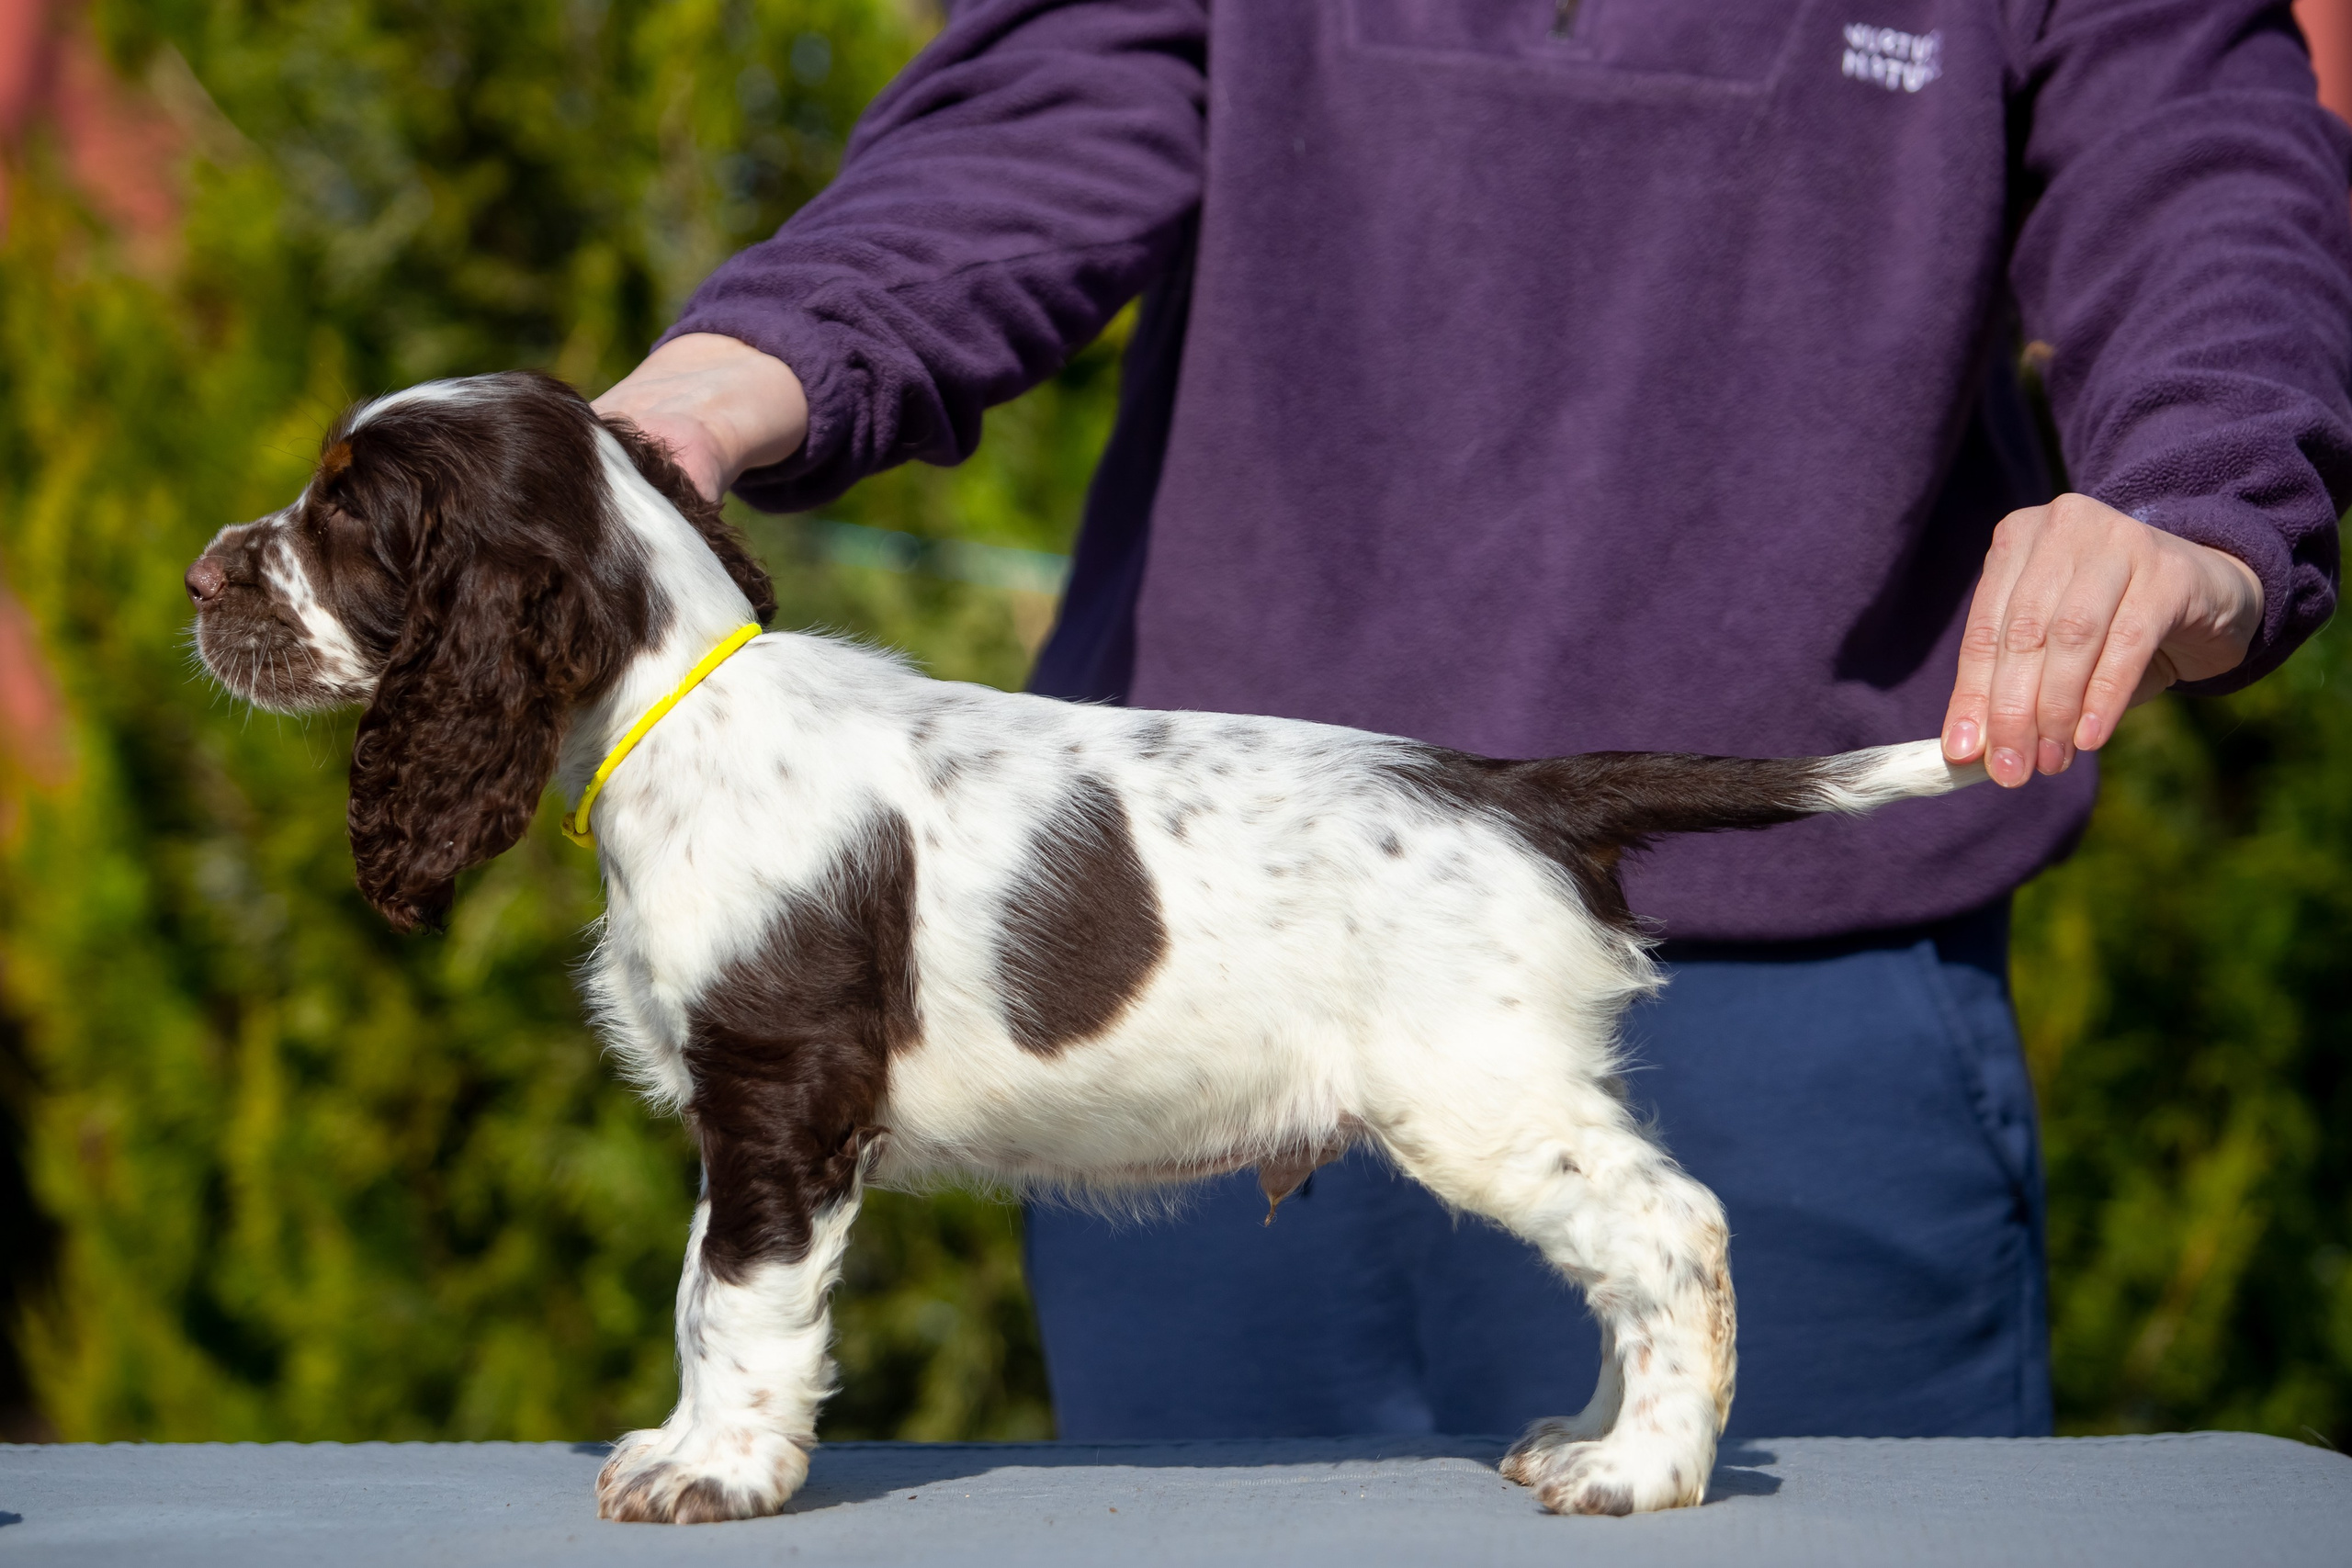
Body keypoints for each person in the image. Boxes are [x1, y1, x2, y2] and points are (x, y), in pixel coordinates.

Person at [594, 0, 2351, 1441]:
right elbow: (1034, 114)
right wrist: (736, 368)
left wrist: (2201, 491)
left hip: (1787, 988)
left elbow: (2202, 154)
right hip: (1171, 952)